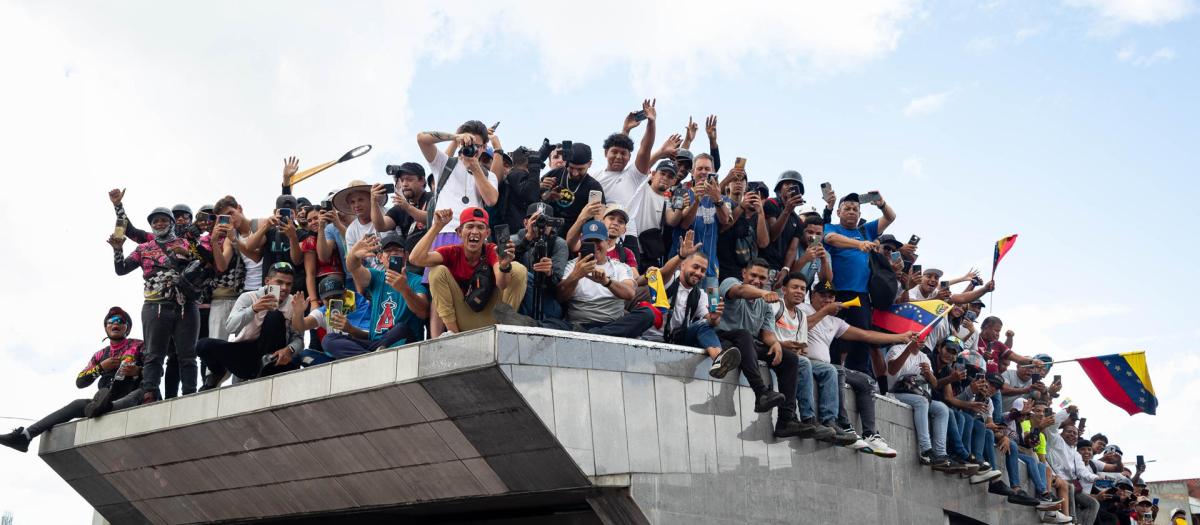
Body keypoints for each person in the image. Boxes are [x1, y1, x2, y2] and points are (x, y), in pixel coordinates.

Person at [0, 308, 146, 452]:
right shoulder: (100, 355)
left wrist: (138, 370)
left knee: (139, 392)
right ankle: (25, 436)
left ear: (128, 328)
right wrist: (101, 367)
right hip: (104, 399)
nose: (116, 324)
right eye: (111, 321)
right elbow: (80, 382)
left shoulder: (139, 345)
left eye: (121, 321)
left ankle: (106, 407)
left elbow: (156, 371)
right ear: (106, 328)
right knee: (78, 404)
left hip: (133, 395)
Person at [110, 206, 206, 400]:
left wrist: (187, 254)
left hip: (185, 306)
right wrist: (118, 250)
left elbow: (205, 263)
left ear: (171, 223)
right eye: (155, 221)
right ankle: (150, 394)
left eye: (163, 220)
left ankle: (190, 395)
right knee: (154, 356)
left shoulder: (187, 242)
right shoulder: (143, 248)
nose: (159, 224)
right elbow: (121, 269)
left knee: (188, 356)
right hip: (155, 307)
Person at [496, 220, 654, 338]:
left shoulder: (619, 267)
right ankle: (527, 323)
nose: (594, 246)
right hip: (576, 324)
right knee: (553, 323)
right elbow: (560, 296)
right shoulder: (572, 266)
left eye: (597, 241)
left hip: (611, 323)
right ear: (581, 244)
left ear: (607, 242)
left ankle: (591, 334)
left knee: (647, 313)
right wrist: (576, 275)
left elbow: (630, 293)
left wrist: (607, 282)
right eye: (588, 242)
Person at [804, 280, 907, 455]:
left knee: (866, 381)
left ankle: (870, 435)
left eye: (831, 296)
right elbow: (800, 326)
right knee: (836, 371)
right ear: (812, 296)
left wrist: (901, 337)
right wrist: (823, 312)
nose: (827, 300)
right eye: (823, 296)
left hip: (826, 366)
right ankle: (844, 426)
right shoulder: (803, 309)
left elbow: (866, 335)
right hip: (808, 363)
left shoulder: (834, 321)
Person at [714, 258, 805, 439]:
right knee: (744, 335)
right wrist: (762, 293)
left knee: (791, 358)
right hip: (724, 339)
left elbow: (767, 334)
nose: (757, 280)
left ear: (768, 279)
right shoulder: (730, 283)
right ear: (744, 273)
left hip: (749, 344)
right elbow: (740, 291)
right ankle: (761, 392)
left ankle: (786, 420)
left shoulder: (766, 302)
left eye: (762, 278)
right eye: (753, 275)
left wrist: (776, 344)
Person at [409, 207, 527, 336]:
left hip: (493, 316)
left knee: (518, 269)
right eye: (470, 226)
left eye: (480, 227)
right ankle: (452, 336)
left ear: (487, 234)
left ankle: (505, 331)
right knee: (436, 272)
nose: (475, 232)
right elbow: (415, 259)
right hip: (462, 319)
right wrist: (437, 226)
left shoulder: (492, 250)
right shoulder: (452, 252)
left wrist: (504, 265)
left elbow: (502, 284)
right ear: (459, 232)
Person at [639, 231, 741, 377]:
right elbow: (663, 274)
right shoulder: (669, 279)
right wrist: (681, 254)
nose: (698, 273)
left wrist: (715, 316)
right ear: (683, 265)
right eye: (695, 267)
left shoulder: (701, 295)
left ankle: (719, 359)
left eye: (703, 270)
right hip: (648, 338)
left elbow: (712, 323)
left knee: (704, 324)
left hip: (678, 341)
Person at [821, 192, 897, 383]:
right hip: (835, 292)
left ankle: (860, 376)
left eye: (855, 209)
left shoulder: (866, 230)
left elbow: (890, 217)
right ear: (838, 212)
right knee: (832, 333)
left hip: (861, 294)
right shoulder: (831, 227)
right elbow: (830, 239)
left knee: (862, 336)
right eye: (847, 208)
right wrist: (859, 244)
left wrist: (882, 204)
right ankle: (830, 369)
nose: (852, 212)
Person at [196, 263, 304, 389]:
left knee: (274, 316)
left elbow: (299, 339)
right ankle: (218, 372)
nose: (284, 288)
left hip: (272, 357)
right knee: (203, 345)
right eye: (279, 282)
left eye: (289, 284)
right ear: (267, 281)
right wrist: (253, 309)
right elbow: (230, 327)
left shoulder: (294, 303)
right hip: (245, 352)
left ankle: (265, 370)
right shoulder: (249, 297)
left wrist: (289, 349)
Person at [323, 232, 429, 357]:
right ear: (380, 257)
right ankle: (371, 356)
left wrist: (404, 288)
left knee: (401, 329)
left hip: (402, 340)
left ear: (406, 256)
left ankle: (368, 356)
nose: (393, 253)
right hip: (374, 343)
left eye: (398, 250)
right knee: (328, 340)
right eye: (388, 250)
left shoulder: (417, 280)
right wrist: (353, 255)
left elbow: (423, 312)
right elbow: (355, 269)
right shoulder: (377, 277)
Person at [772, 272, 838, 440]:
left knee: (830, 370)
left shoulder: (801, 315)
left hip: (792, 357)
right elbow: (763, 334)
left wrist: (800, 349)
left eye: (802, 288)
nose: (799, 291)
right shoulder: (775, 306)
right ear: (784, 290)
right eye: (795, 287)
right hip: (774, 352)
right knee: (803, 363)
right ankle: (808, 419)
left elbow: (802, 345)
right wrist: (783, 344)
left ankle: (830, 421)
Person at [884, 334, 955, 469]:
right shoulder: (897, 349)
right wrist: (909, 348)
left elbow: (934, 385)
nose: (921, 338)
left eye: (924, 336)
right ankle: (926, 451)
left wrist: (928, 373)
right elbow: (892, 371)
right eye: (918, 335)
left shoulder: (924, 356)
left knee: (942, 408)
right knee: (922, 401)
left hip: (913, 395)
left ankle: (940, 454)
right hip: (892, 393)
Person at [670, 153, 731, 290]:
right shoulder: (681, 193)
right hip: (681, 265)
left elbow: (725, 220)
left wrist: (717, 201)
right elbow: (684, 224)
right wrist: (696, 202)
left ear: (713, 172)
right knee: (678, 308)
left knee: (711, 308)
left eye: (707, 169)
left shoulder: (723, 199)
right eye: (699, 169)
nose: (703, 172)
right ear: (692, 172)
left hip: (709, 269)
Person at [593, 99, 658, 219]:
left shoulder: (633, 175)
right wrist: (626, 130)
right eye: (614, 152)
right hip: (598, 232)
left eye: (623, 153)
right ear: (606, 153)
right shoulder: (594, 177)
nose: (618, 156)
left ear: (629, 157)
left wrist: (651, 123)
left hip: (626, 234)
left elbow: (645, 149)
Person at [625, 158, 689, 273]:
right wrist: (661, 153)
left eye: (670, 176)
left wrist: (680, 207)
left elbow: (672, 221)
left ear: (674, 181)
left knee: (649, 290)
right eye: (662, 173)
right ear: (653, 174)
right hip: (629, 249)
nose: (665, 178)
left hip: (650, 255)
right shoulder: (641, 188)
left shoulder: (667, 201)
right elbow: (641, 166)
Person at [510, 203, 569, 320]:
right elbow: (504, 267)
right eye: (535, 221)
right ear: (526, 223)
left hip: (547, 302)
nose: (540, 225)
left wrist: (549, 274)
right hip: (519, 300)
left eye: (546, 221)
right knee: (520, 273)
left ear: (552, 225)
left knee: (525, 276)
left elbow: (558, 291)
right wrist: (527, 239)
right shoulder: (514, 240)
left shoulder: (559, 244)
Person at [542, 142, 604, 233]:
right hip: (548, 234)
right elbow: (534, 201)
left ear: (589, 164)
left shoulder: (594, 187)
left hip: (576, 239)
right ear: (566, 162)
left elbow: (598, 223)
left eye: (580, 169)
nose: (575, 173)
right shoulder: (554, 174)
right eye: (571, 168)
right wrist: (546, 196)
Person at [716, 172, 769, 281]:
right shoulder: (732, 205)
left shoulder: (761, 219)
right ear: (745, 194)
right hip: (722, 267)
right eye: (752, 194)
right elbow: (722, 228)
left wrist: (761, 213)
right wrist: (742, 206)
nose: (755, 198)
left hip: (744, 273)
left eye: (761, 197)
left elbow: (763, 243)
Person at [566, 202, 638, 273]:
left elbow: (634, 280)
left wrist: (645, 276)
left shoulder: (626, 253)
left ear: (624, 230)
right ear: (601, 221)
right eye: (611, 218)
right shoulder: (586, 239)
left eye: (620, 221)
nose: (615, 223)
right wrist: (582, 218)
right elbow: (569, 244)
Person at [763, 171, 807, 281]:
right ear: (780, 188)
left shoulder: (798, 221)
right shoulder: (770, 203)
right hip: (762, 267)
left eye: (794, 185)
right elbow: (772, 235)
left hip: (780, 271)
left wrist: (786, 269)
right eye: (787, 184)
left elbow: (792, 249)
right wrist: (787, 210)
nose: (791, 187)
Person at [372, 162, 430, 238]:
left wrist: (408, 208)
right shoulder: (400, 207)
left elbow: (433, 218)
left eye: (409, 180)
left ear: (422, 181)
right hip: (411, 250)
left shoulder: (433, 197)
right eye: (402, 180)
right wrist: (374, 202)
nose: (404, 184)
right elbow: (380, 227)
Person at [784, 215, 833, 289]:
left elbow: (826, 281)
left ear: (822, 235)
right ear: (803, 232)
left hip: (801, 293)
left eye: (818, 234)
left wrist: (824, 260)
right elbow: (787, 276)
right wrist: (805, 259)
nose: (813, 237)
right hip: (784, 290)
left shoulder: (824, 253)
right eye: (810, 232)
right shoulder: (793, 246)